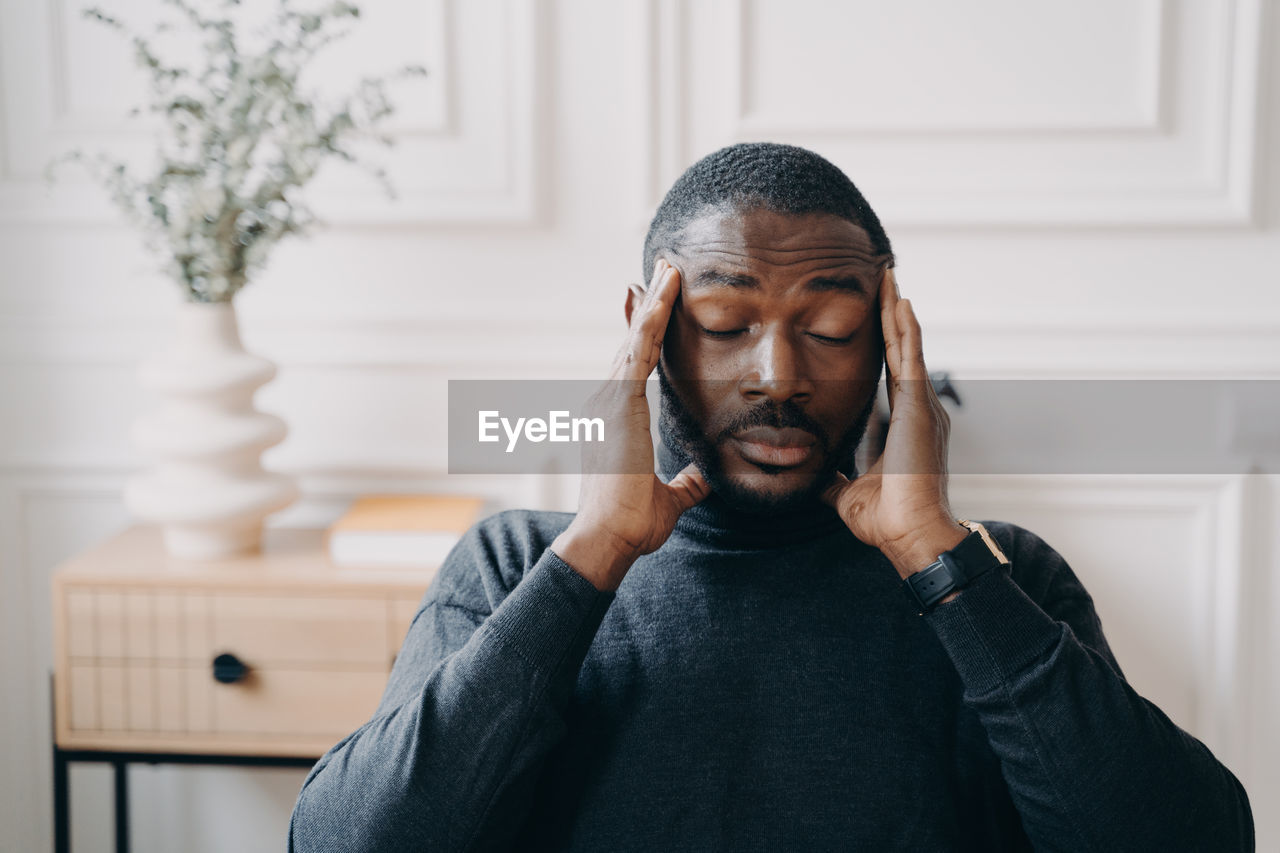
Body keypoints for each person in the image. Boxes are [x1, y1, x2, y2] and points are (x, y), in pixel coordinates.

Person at [288, 143, 1254, 851]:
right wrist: (594, 553)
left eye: (831, 327)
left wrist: (941, 560)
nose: (778, 373)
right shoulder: (513, 567)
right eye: (722, 321)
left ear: (888, 338)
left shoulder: (1003, 575)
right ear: (647, 330)